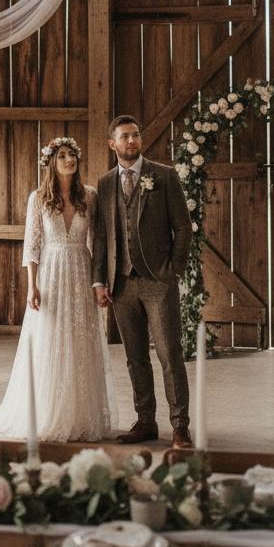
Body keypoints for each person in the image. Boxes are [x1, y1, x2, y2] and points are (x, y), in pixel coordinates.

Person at [0, 137, 118, 443]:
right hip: (50, 273)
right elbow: (32, 245)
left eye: (72, 155)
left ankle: (80, 416)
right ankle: (47, 411)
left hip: (79, 271)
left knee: (79, 340)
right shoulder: (38, 198)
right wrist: (31, 286)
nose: (69, 160)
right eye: (62, 155)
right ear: (52, 161)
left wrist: (97, 282)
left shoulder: (90, 196)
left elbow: (97, 243)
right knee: (50, 339)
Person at [91, 115, 194, 449]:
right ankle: (146, 421)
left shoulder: (163, 175)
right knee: (135, 358)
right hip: (121, 284)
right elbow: (102, 236)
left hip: (157, 281)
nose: (132, 141)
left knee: (169, 355)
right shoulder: (105, 184)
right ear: (113, 144)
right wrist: (99, 282)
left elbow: (184, 227)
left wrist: (173, 271)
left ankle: (180, 427)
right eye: (125, 137)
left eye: (135, 135)